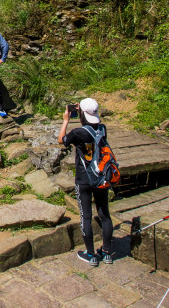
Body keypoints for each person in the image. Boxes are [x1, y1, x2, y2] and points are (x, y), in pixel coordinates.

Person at [57, 97, 114, 266]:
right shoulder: (102, 129)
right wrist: (83, 109)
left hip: (83, 179)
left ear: (81, 114)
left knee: (86, 217)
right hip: (101, 176)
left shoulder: (78, 133)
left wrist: (66, 121)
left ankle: (91, 254)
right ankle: (107, 253)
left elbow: (62, 140)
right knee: (105, 215)